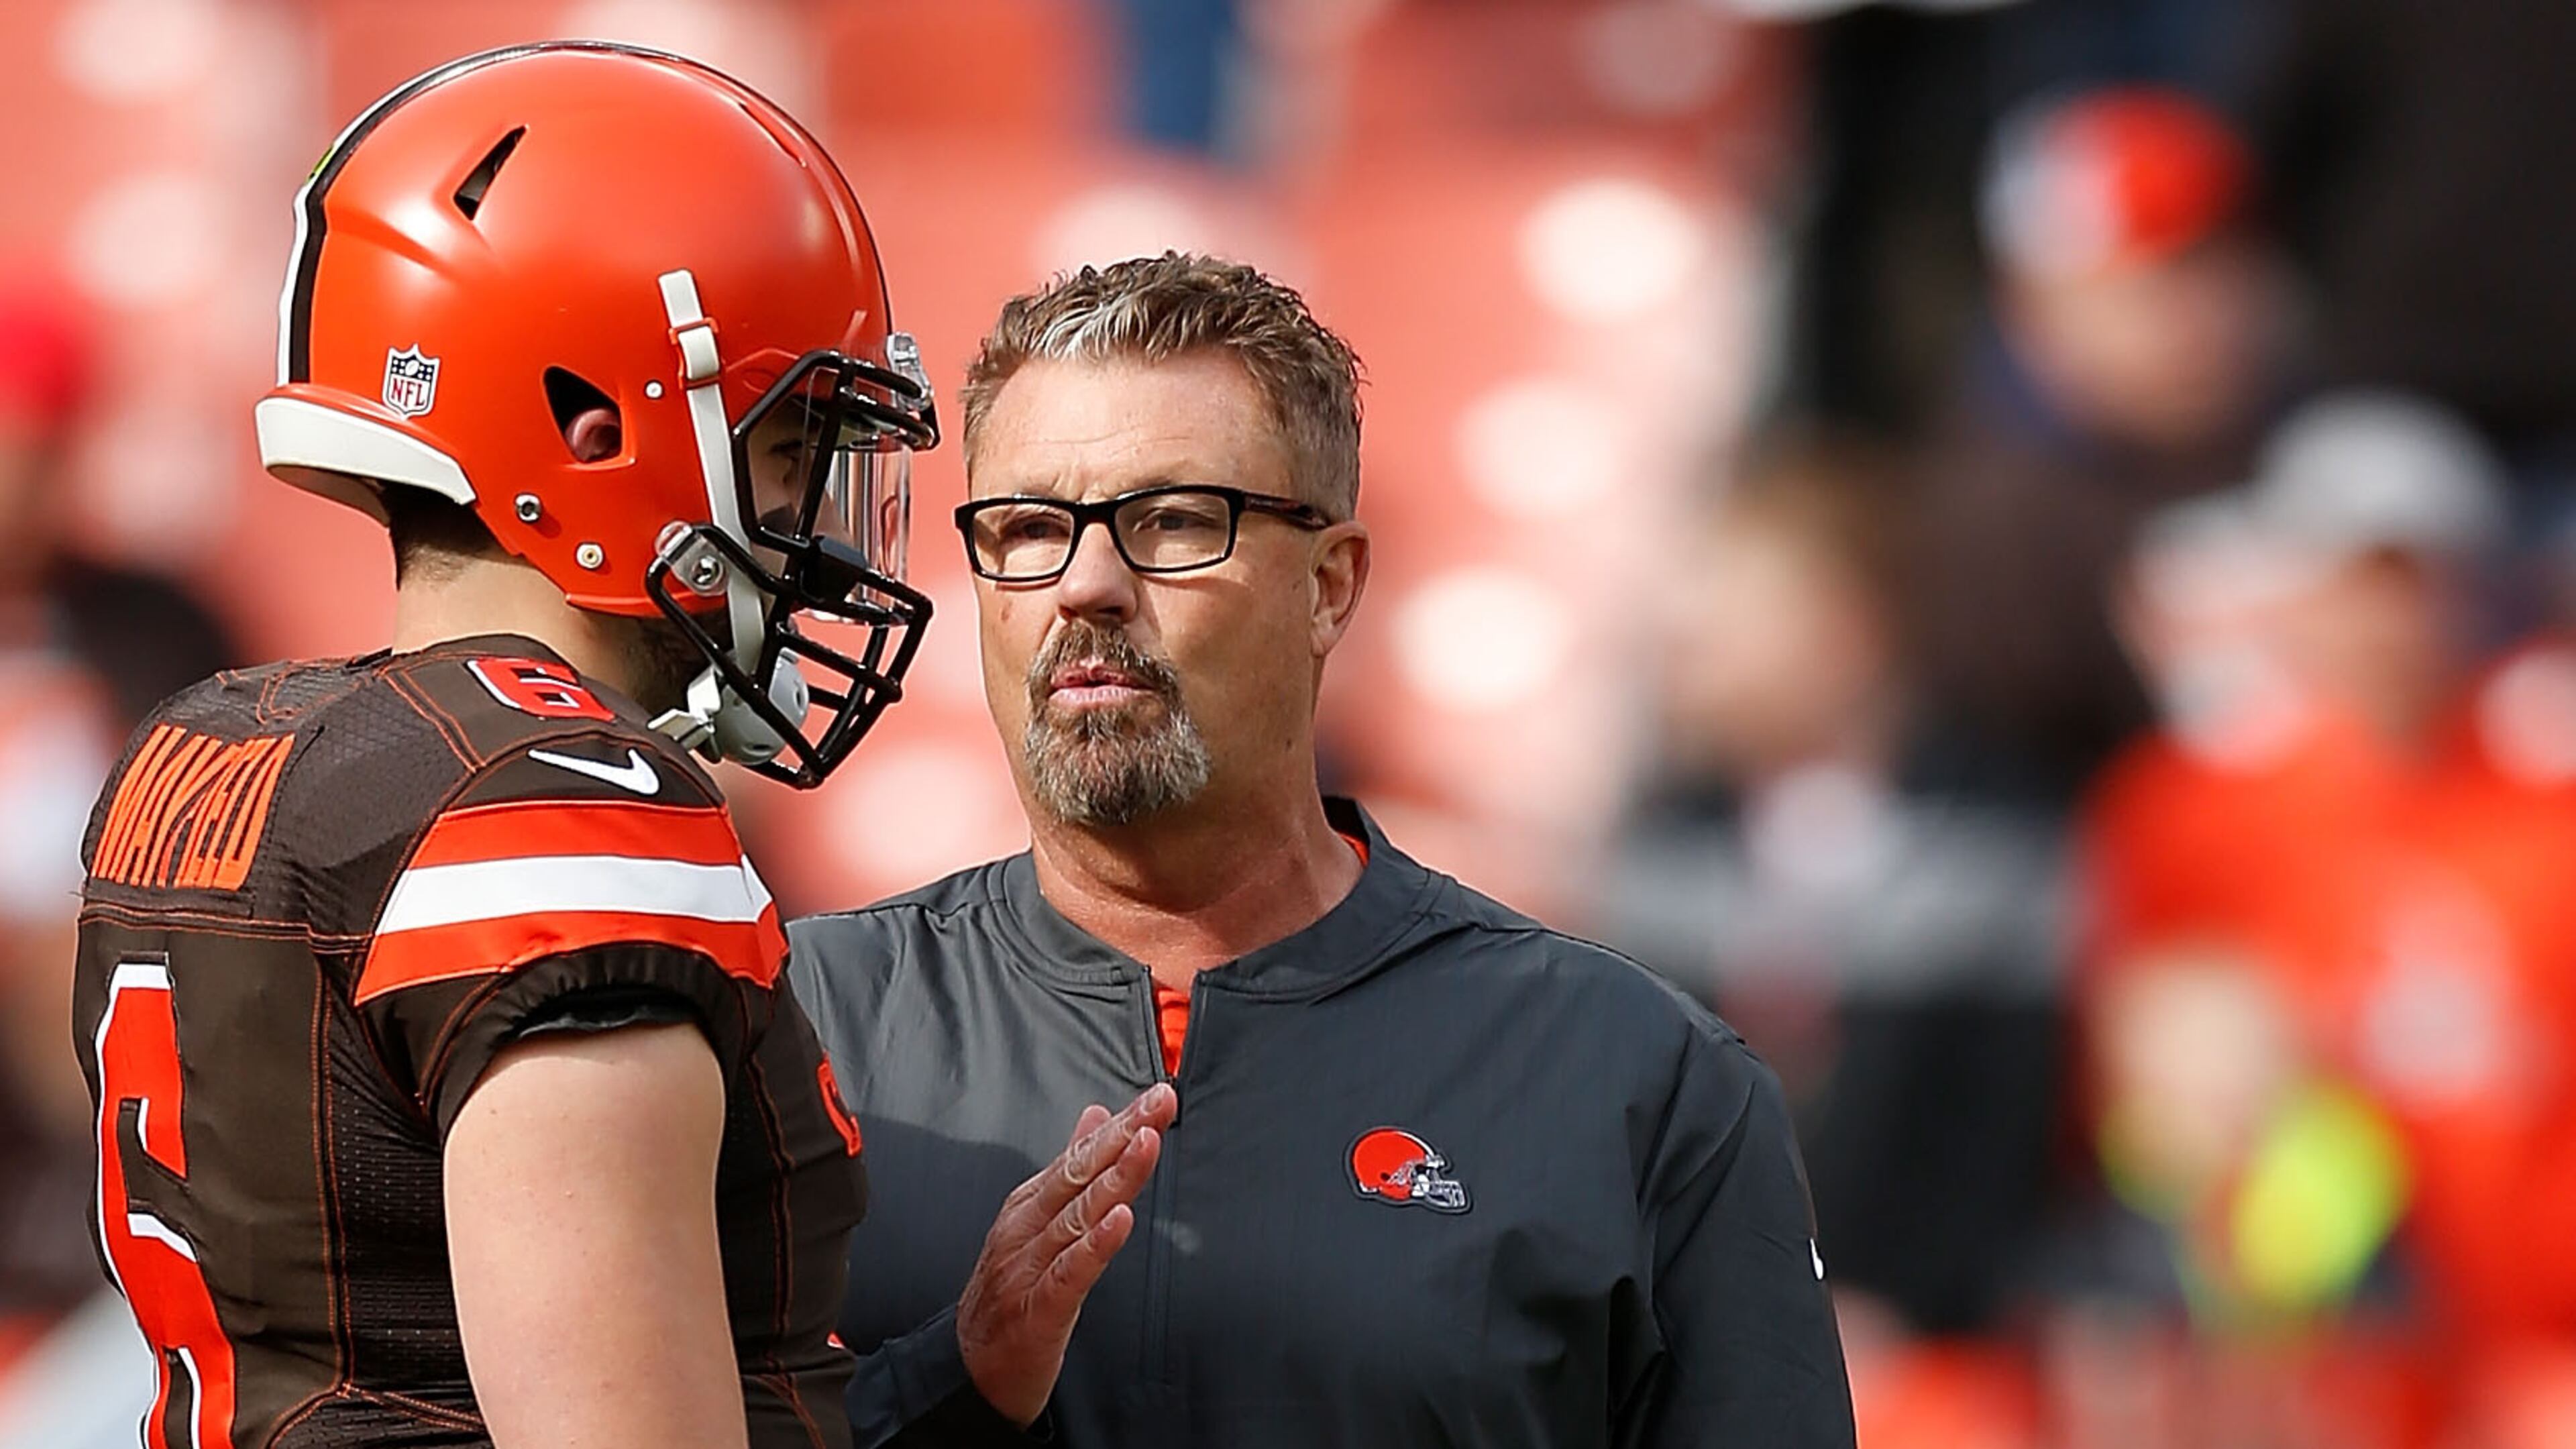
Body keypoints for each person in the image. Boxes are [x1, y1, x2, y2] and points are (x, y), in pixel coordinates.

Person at [791, 252, 1857, 1447]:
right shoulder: (790, 1026)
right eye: (1029, 528)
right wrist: (950, 1380)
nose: (1086, 583)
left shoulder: (1639, 1082)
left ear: (1331, 586)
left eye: (1172, 521)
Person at [72, 42, 943, 1448]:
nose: (813, 525)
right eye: (787, 448)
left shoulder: (210, 746)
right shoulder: (564, 811)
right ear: (590, 429)